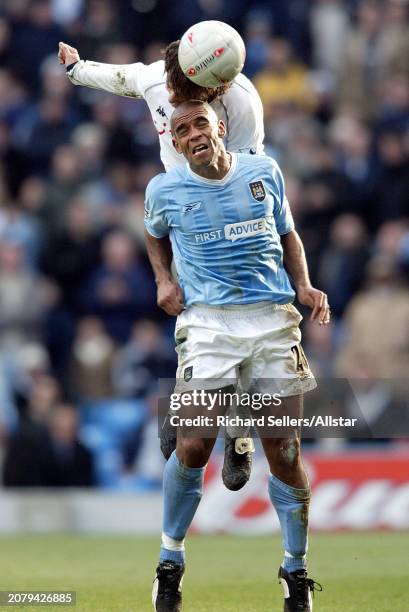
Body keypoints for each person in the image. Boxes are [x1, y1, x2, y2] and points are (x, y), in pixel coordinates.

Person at [58, 33, 265, 491]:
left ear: (210, 88)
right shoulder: (155, 78)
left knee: (243, 318)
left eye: (183, 93)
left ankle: (232, 427)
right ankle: (207, 411)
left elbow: (254, 173)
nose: (172, 99)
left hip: (233, 218)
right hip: (182, 211)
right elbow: (117, 76)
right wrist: (75, 69)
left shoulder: (242, 101)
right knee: (196, 310)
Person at [145, 100, 329, 612]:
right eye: (181, 130)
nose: (193, 134)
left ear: (220, 127)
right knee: (192, 448)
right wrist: (163, 279)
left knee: (286, 454)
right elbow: (154, 233)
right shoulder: (164, 190)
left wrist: (305, 286)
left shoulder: (263, 171)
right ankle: (170, 563)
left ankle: (295, 570)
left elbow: (288, 232)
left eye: (200, 123)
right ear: (176, 145)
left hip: (271, 319)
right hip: (208, 322)